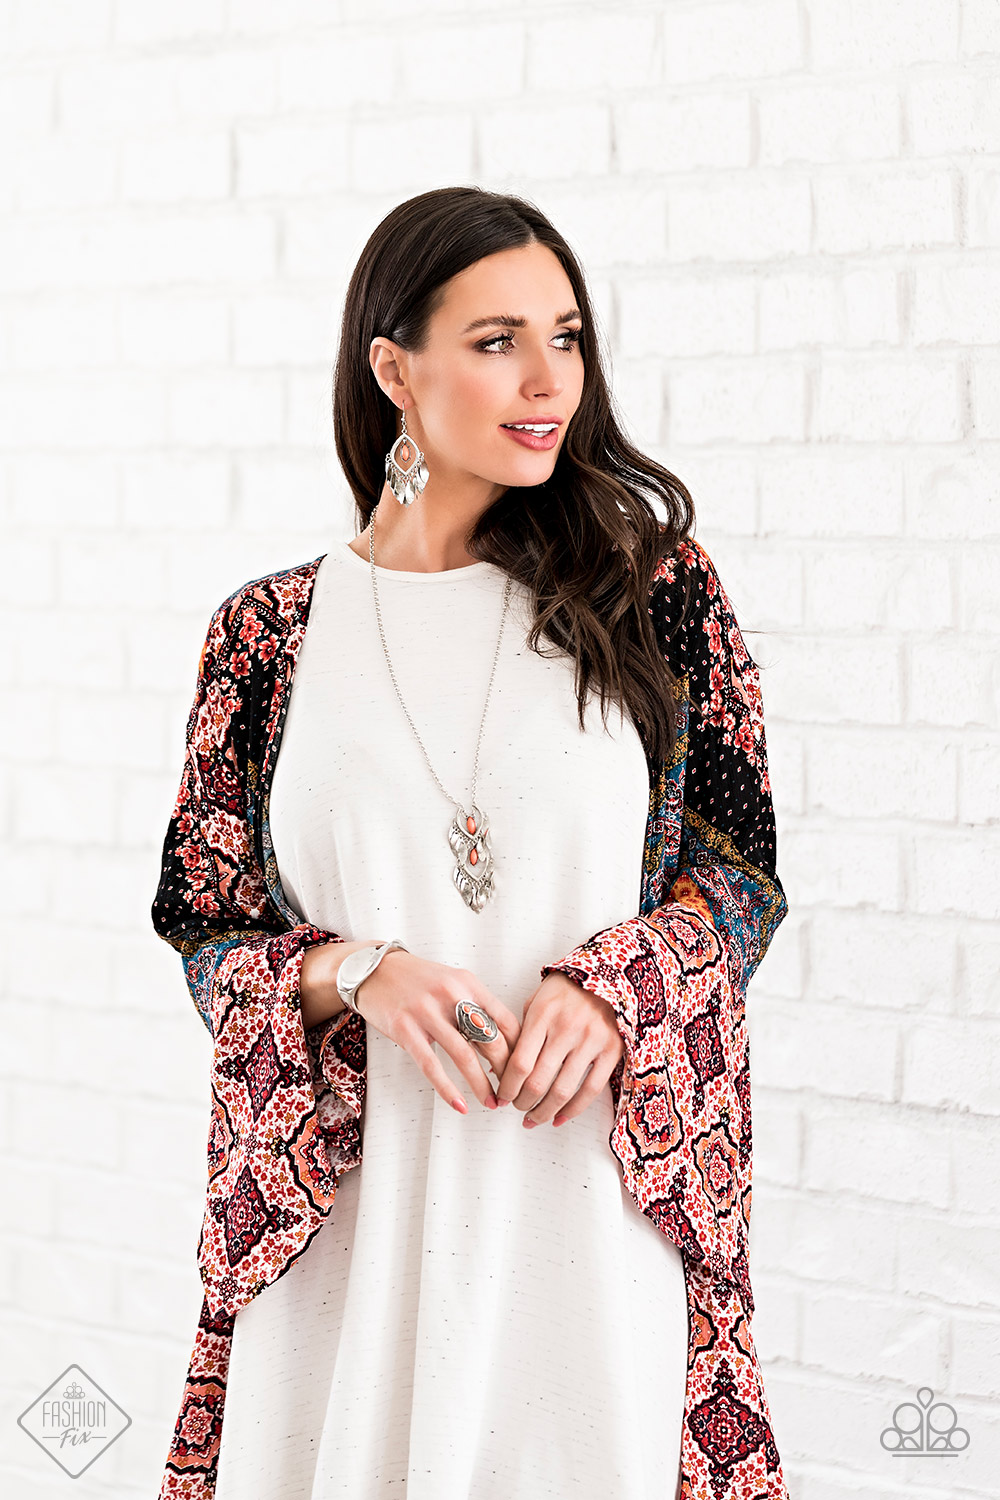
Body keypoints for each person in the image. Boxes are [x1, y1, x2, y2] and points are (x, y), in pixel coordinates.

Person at [151, 186, 790, 1500]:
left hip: (589, 1205)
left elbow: (742, 879)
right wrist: (356, 974)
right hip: (353, 1228)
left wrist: (618, 987)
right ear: (395, 369)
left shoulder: (653, 591)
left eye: (566, 336)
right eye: (498, 341)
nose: (549, 380)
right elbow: (205, 924)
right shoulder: (265, 637)